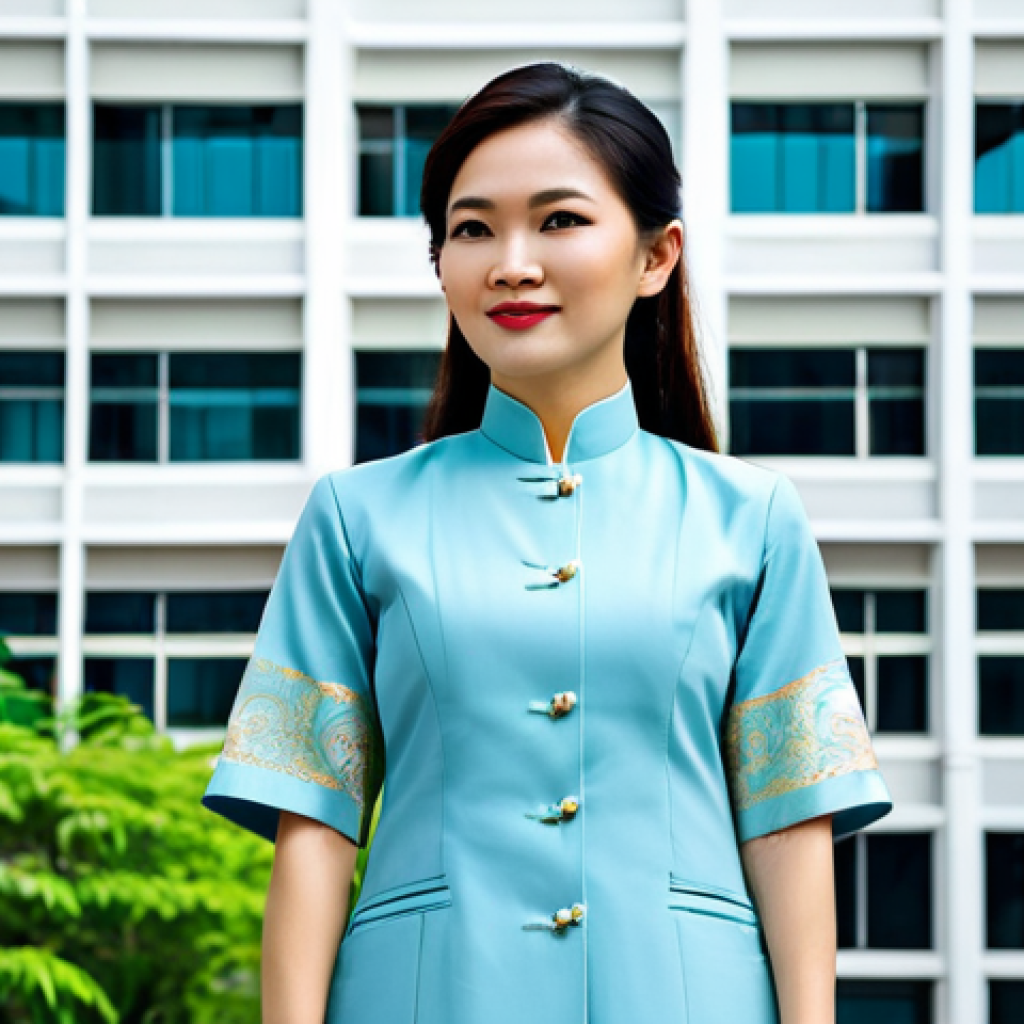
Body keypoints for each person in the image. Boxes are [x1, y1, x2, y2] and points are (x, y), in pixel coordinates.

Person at [201, 61, 892, 1024]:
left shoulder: (753, 518)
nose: (510, 262)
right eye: (472, 228)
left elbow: (788, 821)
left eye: (560, 220)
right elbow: (313, 825)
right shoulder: (357, 518)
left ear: (658, 257)